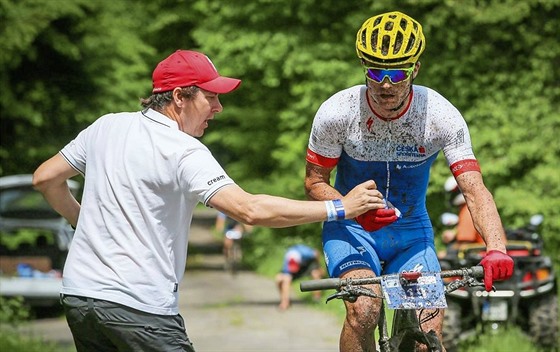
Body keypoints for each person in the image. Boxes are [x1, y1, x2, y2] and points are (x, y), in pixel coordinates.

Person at [32, 49, 387, 352]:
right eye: (210, 97)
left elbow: (45, 178)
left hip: (80, 297)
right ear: (179, 97)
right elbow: (249, 209)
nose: (218, 108)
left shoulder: (105, 127)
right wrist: (343, 207)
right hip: (140, 307)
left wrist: (84, 223)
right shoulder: (184, 150)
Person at [303, 11, 514, 352]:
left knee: (428, 328)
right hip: (352, 228)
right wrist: (353, 211)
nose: (386, 84)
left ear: (415, 69)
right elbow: (314, 182)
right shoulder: (337, 112)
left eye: (398, 72)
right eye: (375, 71)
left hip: (411, 234)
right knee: (364, 310)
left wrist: (496, 248)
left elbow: (473, 189)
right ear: (362, 67)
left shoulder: (440, 115)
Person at [275, 244, 325, 310]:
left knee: (315, 274)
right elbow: (286, 275)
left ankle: (317, 299)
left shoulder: (305, 253)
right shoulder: (287, 259)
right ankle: (285, 302)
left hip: (308, 266)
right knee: (280, 279)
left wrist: (319, 267)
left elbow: (316, 253)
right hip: (295, 269)